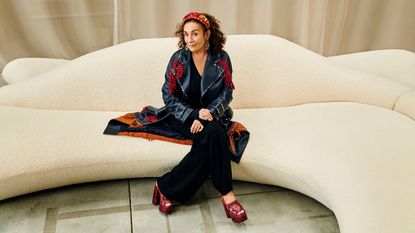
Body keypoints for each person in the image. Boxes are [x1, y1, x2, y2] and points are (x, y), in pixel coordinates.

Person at [151, 12, 247, 223]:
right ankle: (227, 195)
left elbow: (227, 92)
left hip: (212, 115)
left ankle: (166, 186)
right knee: (215, 135)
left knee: (210, 135)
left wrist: (210, 113)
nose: (190, 39)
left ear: (207, 34)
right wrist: (193, 114)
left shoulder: (221, 59)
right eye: (186, 34)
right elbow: (168, 95)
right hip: (182, 115)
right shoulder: (178, 59)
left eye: (195, 34)